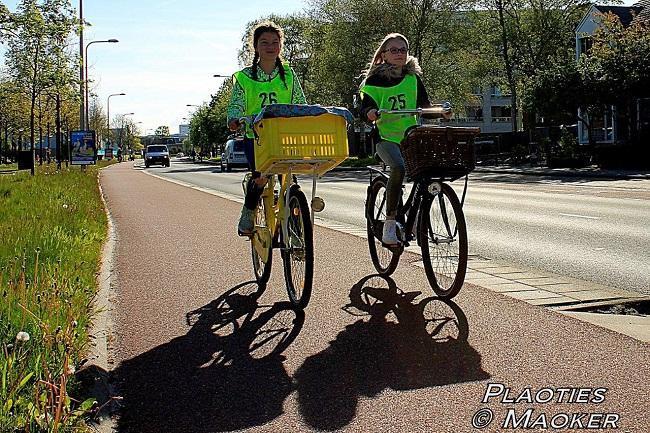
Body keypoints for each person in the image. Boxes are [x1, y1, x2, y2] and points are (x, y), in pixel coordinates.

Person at [359, 33, 447, 246]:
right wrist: (370, 113)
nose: (399, 54)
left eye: (403, 50)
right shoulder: (373, 81)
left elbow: (424, 107)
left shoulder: (413, 79)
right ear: (384, 54)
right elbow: (364, 108)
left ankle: (417, 218)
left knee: (430, 170)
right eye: (394, 50)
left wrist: (441, 112)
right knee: (398, 167)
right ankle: (390, 223)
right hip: (386, 138)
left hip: (412, 138)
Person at [227, 21, 306, 236]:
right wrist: (234, 118)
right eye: (264, 43)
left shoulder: (289, 75)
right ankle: (249, 211)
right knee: (260, 177)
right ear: (255, 46)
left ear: (281, 45)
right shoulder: (244, 77)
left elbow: (300, 101)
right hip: (257, 136)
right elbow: (236, 104)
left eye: (275, 42)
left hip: (285, 136)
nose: (270, 46)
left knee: (289, 179)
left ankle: (295, 225)